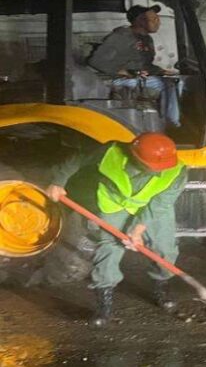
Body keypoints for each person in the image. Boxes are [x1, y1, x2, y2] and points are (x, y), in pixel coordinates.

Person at [45, 133, 188, 327]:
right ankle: (105, 304)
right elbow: (78, 159)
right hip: (114, 203)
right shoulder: (110, 151)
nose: (158, 170)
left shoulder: (177, 171)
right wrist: (58, 182)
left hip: (152, 207)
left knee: (164, 247)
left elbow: (160, 204)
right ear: (135, 156)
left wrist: (137, 230)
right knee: (109, 246)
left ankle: (161, 288)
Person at [88, 5, 182, 127]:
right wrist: (124, 71)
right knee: (168, 84)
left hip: (138, 77)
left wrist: (161, 71)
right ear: (139, 21)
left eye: (157, 19)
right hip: (119, 79)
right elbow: (96, 61)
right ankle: (172, 124)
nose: (158, 22)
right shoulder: (122, 36)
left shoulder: (146, 39)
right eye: (153, 19)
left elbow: (145, 65)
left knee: (179, 80)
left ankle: (171, 118)